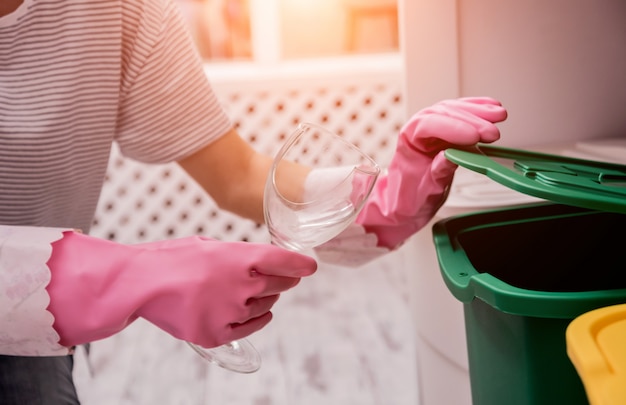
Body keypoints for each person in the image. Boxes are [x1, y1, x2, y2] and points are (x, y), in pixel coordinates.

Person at [0, 0, 508, 404]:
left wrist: (379, 204)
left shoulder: (119, 11)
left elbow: (238, 174)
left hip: (38, 330)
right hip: (49, 308)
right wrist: (103, 279)